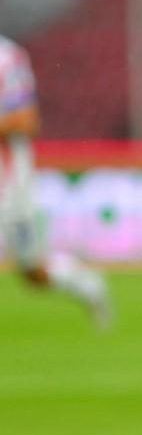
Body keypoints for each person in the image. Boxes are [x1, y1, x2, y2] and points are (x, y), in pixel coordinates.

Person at [0, 35, 110, 326]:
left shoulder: (7, 58)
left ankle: (87, 283)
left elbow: (25, 119)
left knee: (32, 272)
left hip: (8, 179)